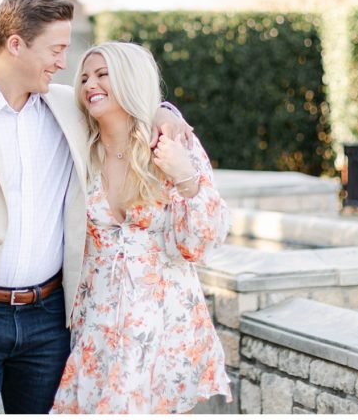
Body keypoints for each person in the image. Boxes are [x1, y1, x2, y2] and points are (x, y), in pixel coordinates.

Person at [0, 0, 192, 414]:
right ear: (16, 44)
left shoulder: (67, 106)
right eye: (55, 49)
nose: (63, 63)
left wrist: (166, 113)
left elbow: (127, 104)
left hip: (52, 321)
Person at [51, 42, 232, 414]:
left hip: (165, 328)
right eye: (84, 77)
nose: (89, 85)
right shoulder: (78, 152)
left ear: (129, 80)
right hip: (98, 327)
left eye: (102, 75)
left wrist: (185, 176)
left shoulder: (171, 144)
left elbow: (198, 246)